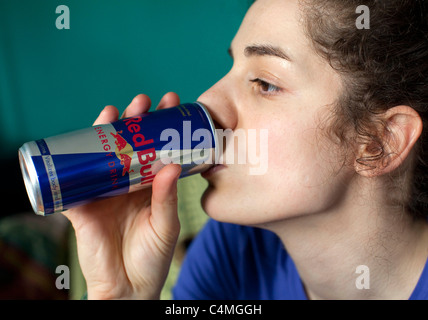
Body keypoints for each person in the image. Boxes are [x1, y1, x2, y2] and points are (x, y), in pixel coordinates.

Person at [63, 0, 428, 300]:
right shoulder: (233, 251)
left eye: (265, 83)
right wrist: (120, 294)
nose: (206, 101)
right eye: (232, 67)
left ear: (380, 142)